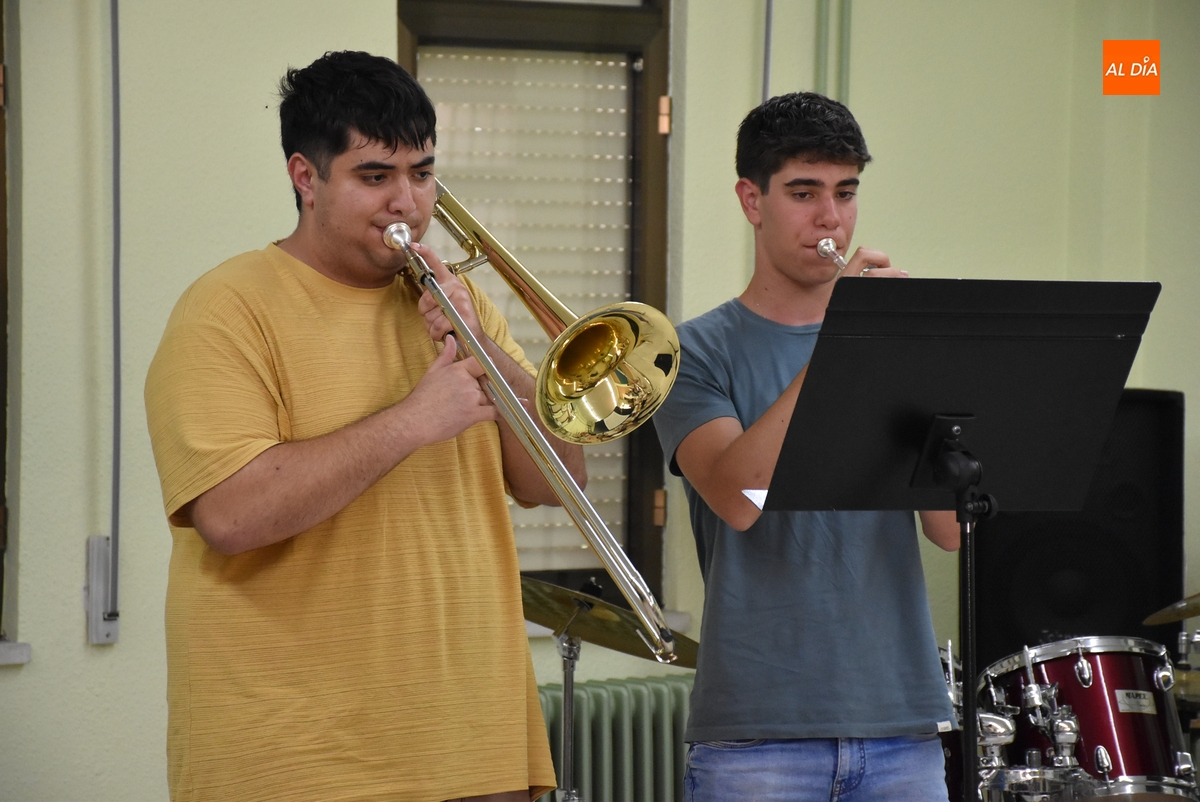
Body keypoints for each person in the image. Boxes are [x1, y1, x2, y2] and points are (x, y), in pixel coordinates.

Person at [144, 50, 582, 802]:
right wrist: (413, 420)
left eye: (422, 172)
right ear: (305, 178)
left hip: (477, 744)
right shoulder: (226, 308)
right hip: (295, 758)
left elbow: (554, 481)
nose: (407, 203)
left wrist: (491, 356)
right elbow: (230, 515)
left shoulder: (461, 304)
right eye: (375, 176)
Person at [652, 92, 962, 801]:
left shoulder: (893, 344)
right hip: (758, 733)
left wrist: (924, 362)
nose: (832, 219)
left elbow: (949, 531)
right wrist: (841, 344)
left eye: (846, 193)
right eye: (804, 193)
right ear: (750, 200)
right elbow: (739, 499)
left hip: (902, 721)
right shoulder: (691, 352)